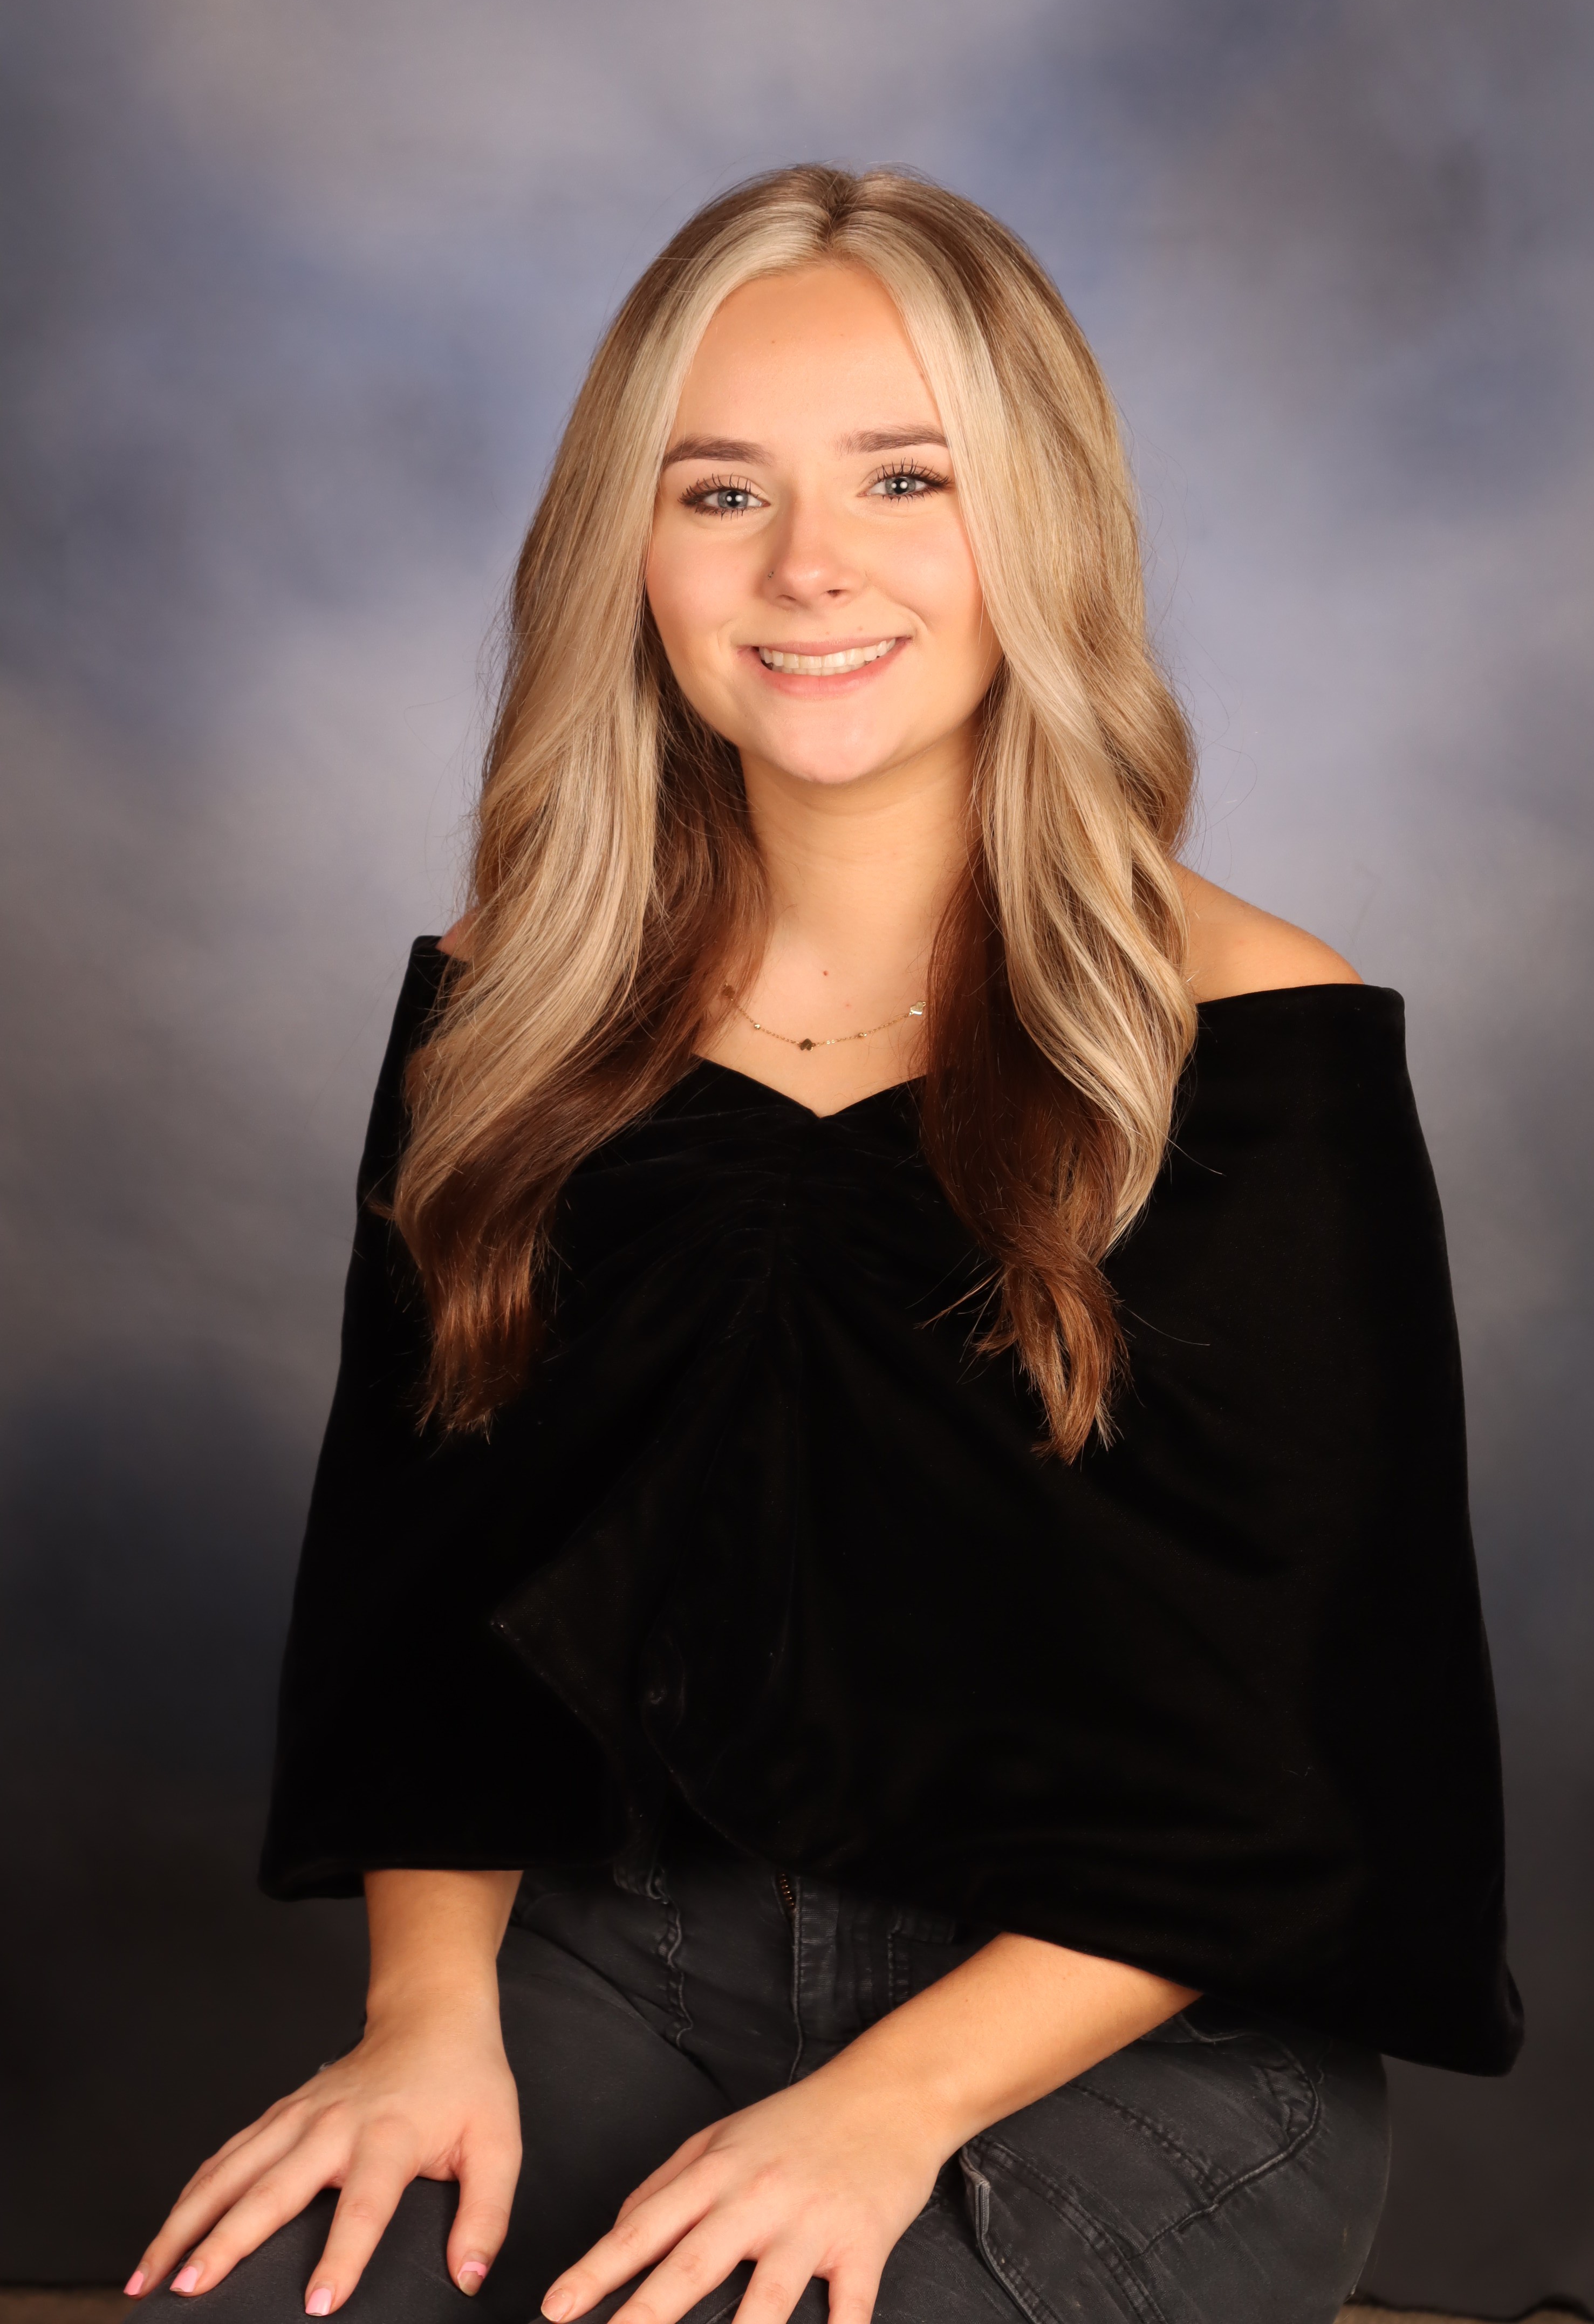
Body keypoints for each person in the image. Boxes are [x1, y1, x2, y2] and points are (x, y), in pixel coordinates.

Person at [127, 165, 1520, 2324]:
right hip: (636, 1965)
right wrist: (425, 2020)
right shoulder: (512, 1002)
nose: (807, 567)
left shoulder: (1249, 1036)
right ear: (630, 552)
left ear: (1033, 527)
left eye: (904, 478)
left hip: (1128, 2036)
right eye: (720, 493)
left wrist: (884, 2108)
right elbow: (424, 1599)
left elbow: (1301, 1756)